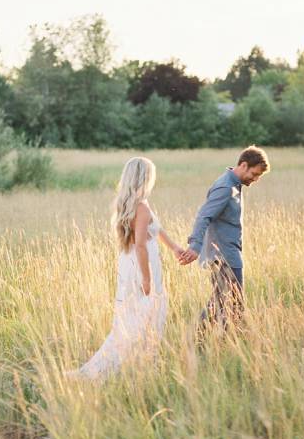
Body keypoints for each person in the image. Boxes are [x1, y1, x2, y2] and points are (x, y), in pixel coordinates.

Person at [69, 157, 184, 379]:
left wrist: (175, 248)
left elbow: (155, 229)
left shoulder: (135, 203)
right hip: (140, 267)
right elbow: (140, 245)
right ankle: (132, 367)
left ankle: (140, 365)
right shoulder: (141, 206)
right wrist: (147, 278)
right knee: (144, 317)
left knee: (135, 317)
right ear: (145, 177)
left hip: (130, 264)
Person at [179, 146, 269, 334]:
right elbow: (204, 216)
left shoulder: (234, 185)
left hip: (230, 255)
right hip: (223, 257)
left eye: (259, 176)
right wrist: (194, 246)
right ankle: (196, 341)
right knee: (227, 304)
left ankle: (220, 344)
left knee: (227, 304)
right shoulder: (225, 187)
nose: (255, 179)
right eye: (254, 174)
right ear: (243, 165)